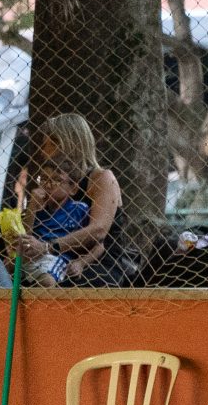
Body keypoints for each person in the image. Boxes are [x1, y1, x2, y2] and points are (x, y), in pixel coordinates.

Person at [7, 114, 122, 287]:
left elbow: (98, 230)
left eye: (49, 145)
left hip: (95, 261)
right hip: (49, 259)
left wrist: (47, 247)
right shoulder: (49, 180)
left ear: (67, 144)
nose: (43, 152)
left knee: (57, 285)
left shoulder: (101, 178)